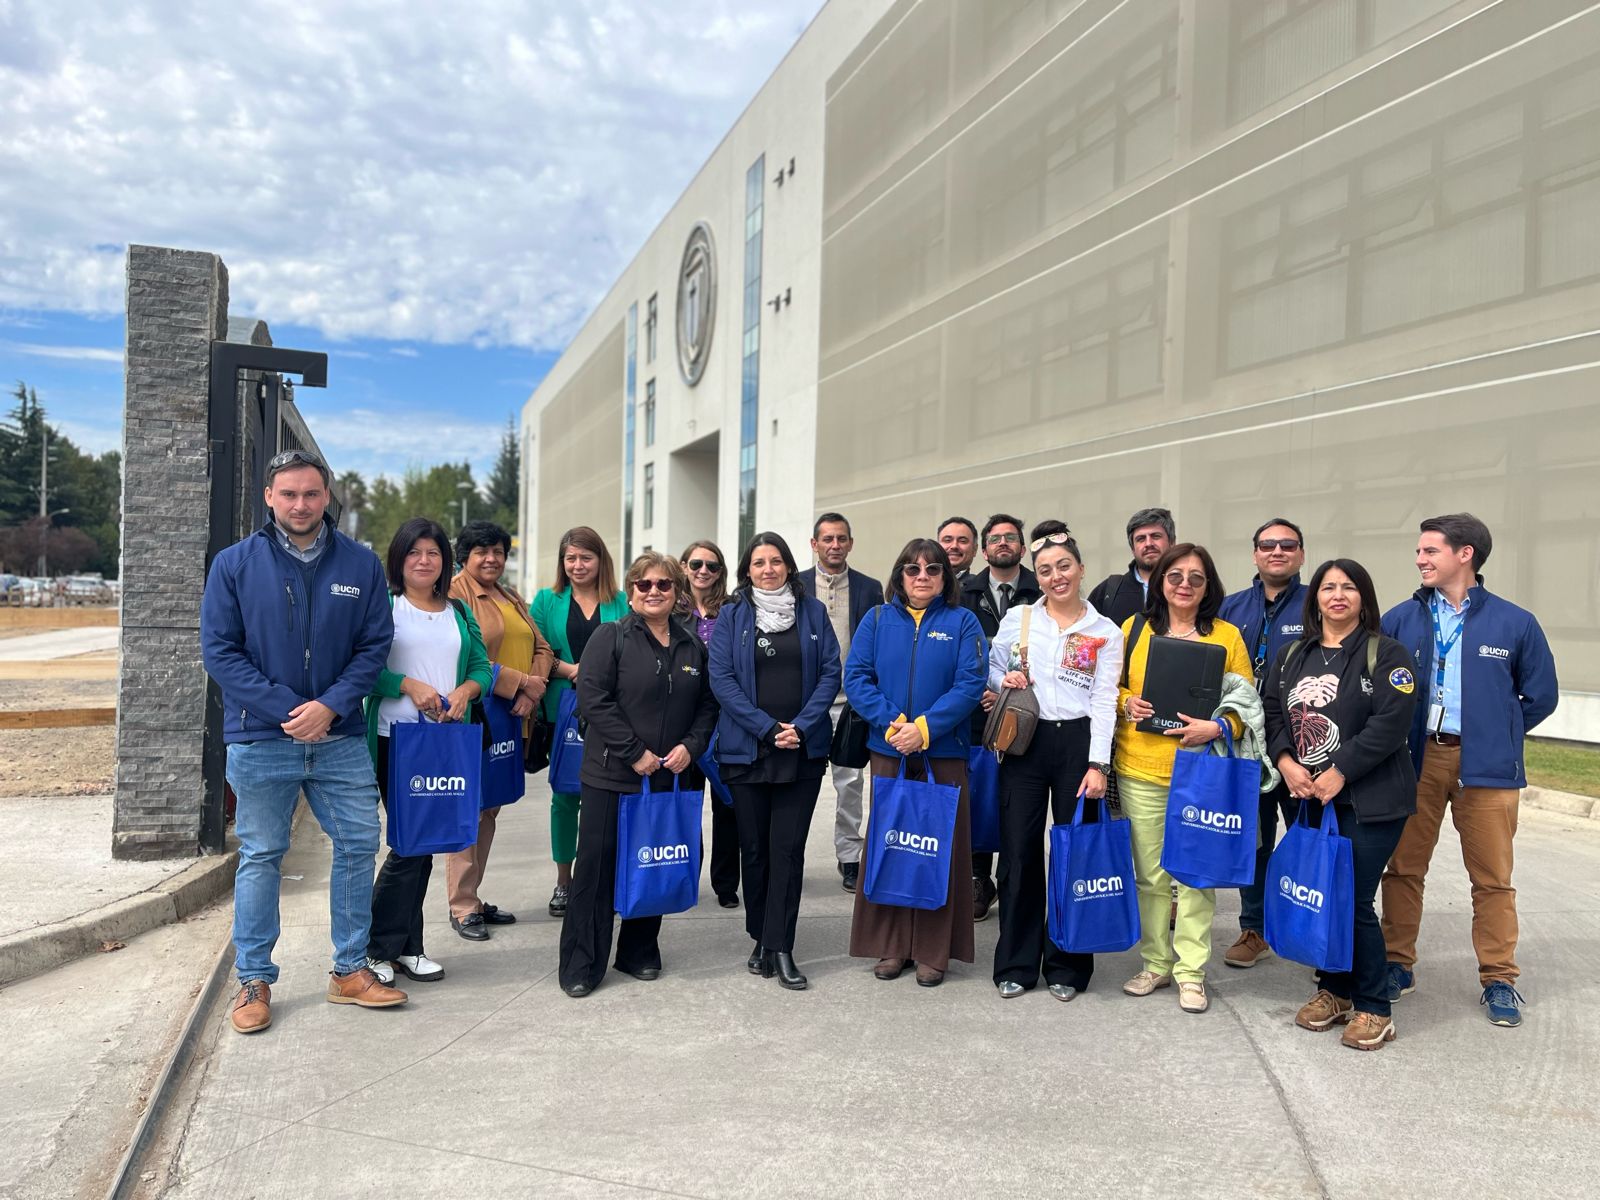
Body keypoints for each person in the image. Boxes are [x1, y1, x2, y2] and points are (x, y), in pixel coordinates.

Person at [201, 448, 407, 1033]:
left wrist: (332, 706)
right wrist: (291, 710)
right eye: (288, 493)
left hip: (338, 739)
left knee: (358, 844)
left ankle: (347, 970)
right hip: (263, 738)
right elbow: (220, 651)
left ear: (327, 498)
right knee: (263, 854)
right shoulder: (235, 565)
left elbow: (374, 648)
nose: (299, 504)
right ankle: (253, 980)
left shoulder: (361, 565)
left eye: (310, 493)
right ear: (269, 497)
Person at [1379, 514, 1558, 1028]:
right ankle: (1397, 964)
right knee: (1405, 868)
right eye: (1418, 551)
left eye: (1430, 551)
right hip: (1417, 761)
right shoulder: (1399, 619)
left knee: (1493, 879)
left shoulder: (1514, 622)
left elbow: (1541, 695)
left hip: (1487, 766)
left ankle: (1499, 978)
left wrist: (1496, 733)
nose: (1420, 559)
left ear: (1465, 555)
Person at [1264, 559, 1417, 1051]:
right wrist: (1286, 760)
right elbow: (1272, 711)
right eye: (1328, 587)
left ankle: (1375, 1006)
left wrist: (1340, 770)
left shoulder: (1386, 654)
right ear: (1315, 599)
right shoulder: (1292, 654)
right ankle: (1334, 991)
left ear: (1363, 598)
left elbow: (1390, 725)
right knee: (1323, 893)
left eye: (1348, 587)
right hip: (1307, 798)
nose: (1337, 595)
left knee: (1352, 900)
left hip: (1369, 800)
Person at [558, 552, 718, 997]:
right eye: (644, 585)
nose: (654, 592)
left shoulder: (691, 646)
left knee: (655, 860)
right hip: (614, 775)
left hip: (670, 775)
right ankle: (581, 963)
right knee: (596, 870)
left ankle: (638, 950)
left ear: (676, 592)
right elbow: (592, 699)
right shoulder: (610, 638)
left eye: (663, 585)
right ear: (631, 592)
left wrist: (691, 746)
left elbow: (708, 705)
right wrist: (634, 753)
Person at [1115, 543, 1252, 1014]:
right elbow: (1110, 688)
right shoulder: (1133, 630)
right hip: (1140, 767)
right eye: (1175, 575)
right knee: (1151, 877)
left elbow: (1245, 707)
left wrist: (1216, 727)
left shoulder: (1228, 636)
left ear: (1208, 585)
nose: (1185, 585)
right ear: (1160, 581)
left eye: (1196, 577)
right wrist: (1126, 704)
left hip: (1202, 773)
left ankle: (1190, 972)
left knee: (1196, 876)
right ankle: (1154, 962)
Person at [988, 521, 1122, 1002]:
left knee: (1074, 857)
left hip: (1078, 745)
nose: (1055, 576)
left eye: (1064, 566)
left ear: (1081, 569)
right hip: (1026, 744)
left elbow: (1106, 700)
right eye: (1045, 570)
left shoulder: (1103, 631)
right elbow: (992, 667)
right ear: (1036, 575)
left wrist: (1098, 765)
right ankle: (1017, 963)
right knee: (1020, 854)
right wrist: (1003, 681)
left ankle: (1067, 964)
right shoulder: (1020, 619)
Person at [844, 539, 986, 987]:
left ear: (946, 577)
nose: (921, 576)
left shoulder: (963, 622)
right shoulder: (876, 618)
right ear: (899, 576)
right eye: (912, 569)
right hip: (889, 751)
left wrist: (924, 729)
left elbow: (970, 684)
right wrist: (894, 725)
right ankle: (891, 945)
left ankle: (931, 950)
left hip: (942, 753)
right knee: (892, 844)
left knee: (937, 849)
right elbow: (857, 677)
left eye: (932, 569)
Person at [708, 532, 841, 990]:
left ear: (788, 566)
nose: (768, 569)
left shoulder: (814, 612)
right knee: (756, 850)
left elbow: (830, 672)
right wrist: (767, 728)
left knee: (788, 850)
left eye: (777, 561)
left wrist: (800, 727)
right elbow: (721, 679)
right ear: (748, 569)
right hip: (747, 752)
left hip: (801, 752)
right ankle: (760, 936)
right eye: (759, 562)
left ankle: (781, 944)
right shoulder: (732, 615)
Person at [363, 518, 493, 985]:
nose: (424, 560)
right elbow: (360, 668)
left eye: (433, 552)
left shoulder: (458, 611)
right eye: (414, 552)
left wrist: (466, 691)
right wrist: (407, 685)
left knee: (426, 845)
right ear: (399, 559)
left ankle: (405, 948)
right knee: (409, 846)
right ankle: (376, 948)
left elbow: (482, 667)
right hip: (394, 739)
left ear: (444, 561)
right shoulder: (384, 608)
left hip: (444, 740)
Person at [446, 520, 555, 940]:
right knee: (470, 808)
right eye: (481, 552)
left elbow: (542, 647)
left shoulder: (509, 596)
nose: (491, 559)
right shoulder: (455, 595)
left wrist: (534, 688)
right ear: (465, 556)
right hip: (479, 712)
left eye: (498, 552)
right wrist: (519, 683)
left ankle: (472, 894)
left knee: (490, 807)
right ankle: (461, 905)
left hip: (513, 713)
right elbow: (464, 657)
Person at [1218, 518, 1309, 969]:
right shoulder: (1231, 607)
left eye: (1287, 545)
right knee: (1253, 840)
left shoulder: (1318, 604)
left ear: (1300, 555)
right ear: (1254, 554)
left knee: (1306, 838)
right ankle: (1253, 928)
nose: (1277, 551)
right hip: (1246, 743)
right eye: (1267, 545)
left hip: (1300, 748)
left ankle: (1307, 925)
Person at [529, 527, 629, 918]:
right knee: (566, 797)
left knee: (610, 798)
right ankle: (564, 881)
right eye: (570, 558)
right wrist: (572, 669)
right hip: (563, 711)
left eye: (585, 557)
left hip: (613, 715)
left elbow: (632, 650)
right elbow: (536, 652)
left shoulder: (621, 602)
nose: (577, 565)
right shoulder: (546, 601)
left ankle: (607, 876)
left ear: (600, 560)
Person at [959, 513, 1042, 920]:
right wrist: (985, 690)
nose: (1003, 544)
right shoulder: (964, 592)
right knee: (980, 800)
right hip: (978, 714)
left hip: (1030, 717)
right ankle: (978, 877)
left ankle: (1014, 878)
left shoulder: (1040, 588)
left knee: (1017, 800)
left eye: (1011, 538)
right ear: (984, 549)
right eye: (995, 539)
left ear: (1022, 548)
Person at [799, 512, 883, 893]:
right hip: (805, 703)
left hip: (852, 704)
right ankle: (789, 857)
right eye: (827, 539)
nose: (835, 545)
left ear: (850, 543)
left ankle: (850, 856)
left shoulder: (869, 587)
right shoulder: (795, 585)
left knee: (850, 783)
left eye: (841, 539)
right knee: (797, 784)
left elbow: (878, 646)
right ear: (814, 544)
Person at [679, 539, 741, 909]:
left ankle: (726, 882)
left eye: (712, 566)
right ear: (684, 565)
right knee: (686, 801)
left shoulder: (732, 609)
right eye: (697, 564)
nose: (704, 571)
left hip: (725, 718)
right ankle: (685, 876)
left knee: (726, 804)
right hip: (684, 721)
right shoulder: (670, 607)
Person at [1089, 507, 1175, 628]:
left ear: (1172, 542)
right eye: (1141, 539)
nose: (1149, 544)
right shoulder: (1108, 591)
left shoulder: (1186, 588)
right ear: (1132, 549)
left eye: (1155, 536)